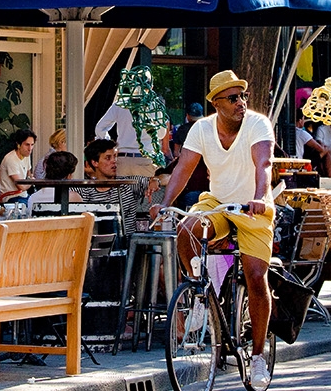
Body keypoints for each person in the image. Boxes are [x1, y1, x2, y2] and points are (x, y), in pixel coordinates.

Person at [153, 69, 277, 386]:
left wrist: (261, 197)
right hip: (218, 203)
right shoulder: (202, 129)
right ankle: (199, 294)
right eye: (233, 98)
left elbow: (263, 163)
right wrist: (166, 202)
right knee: (187, 228)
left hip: (252, 207)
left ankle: (259, 357)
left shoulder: (257, 124)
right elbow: (183, 168)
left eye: (243, 96)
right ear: (217, 103)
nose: (241, 103)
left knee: (255, 275)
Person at [75, 139, 158, 236]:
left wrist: (156, 181)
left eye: (115, 156)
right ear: (95, 163)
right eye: (108, 158)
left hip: (126, 246)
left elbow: (165, 179)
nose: (114, 161)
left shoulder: (128, 184)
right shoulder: (82, 190)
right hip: (93, 245)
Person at [95, 97, 167, 178]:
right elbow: (161, 134)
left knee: (122, 190)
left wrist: (112, 146)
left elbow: (100, 128)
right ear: (151, 87)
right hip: (145, 157)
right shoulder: (154, 105)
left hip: (123, 158)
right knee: (142, 190)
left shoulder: (120, 104)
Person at [0, 129, 37, 204]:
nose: (30, 149)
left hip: (23, 195)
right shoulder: (11, 159)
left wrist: (30, 179)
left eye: (32, 145)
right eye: (27, 145)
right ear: (18, 144)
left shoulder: (26, 155)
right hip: (11, 198)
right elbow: (21, 186)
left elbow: (29, 174)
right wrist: (32, 180)